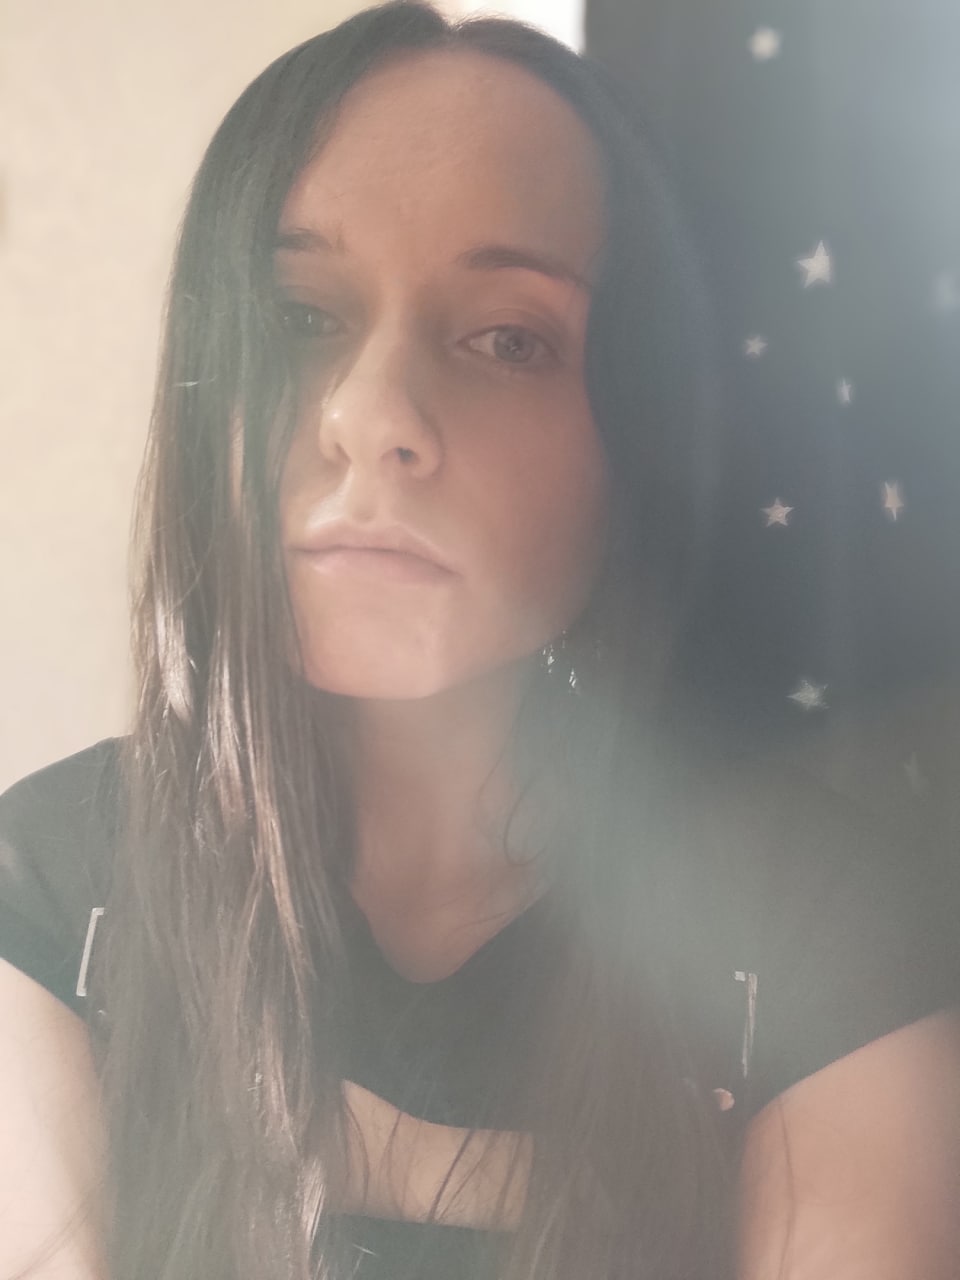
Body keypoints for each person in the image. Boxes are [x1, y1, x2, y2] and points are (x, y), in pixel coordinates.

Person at [1, 3, 959, 1278]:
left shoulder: (817, 931)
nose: (372, 416)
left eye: (509, 338)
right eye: (298, 316)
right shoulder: (57, 888)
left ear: (636, 434)